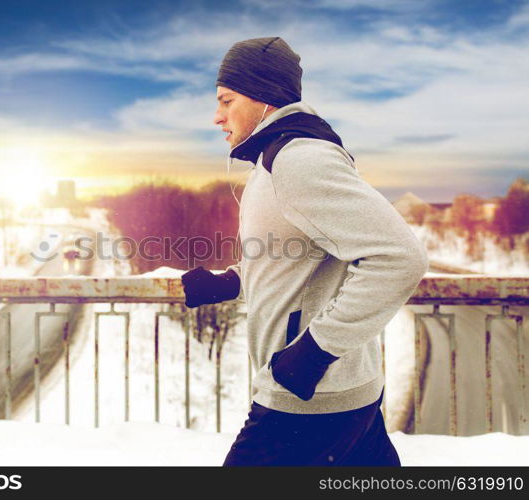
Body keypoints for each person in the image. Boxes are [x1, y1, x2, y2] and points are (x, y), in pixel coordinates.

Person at [180, 37, 428, 466]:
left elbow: (400, 257)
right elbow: (299, 252)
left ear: (263, 96)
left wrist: (314, 351)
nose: (217, 116)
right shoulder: (275, 158)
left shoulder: (299, 160)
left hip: (311, 401)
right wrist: (232, 281)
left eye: (226, 100)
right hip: (336, 390)